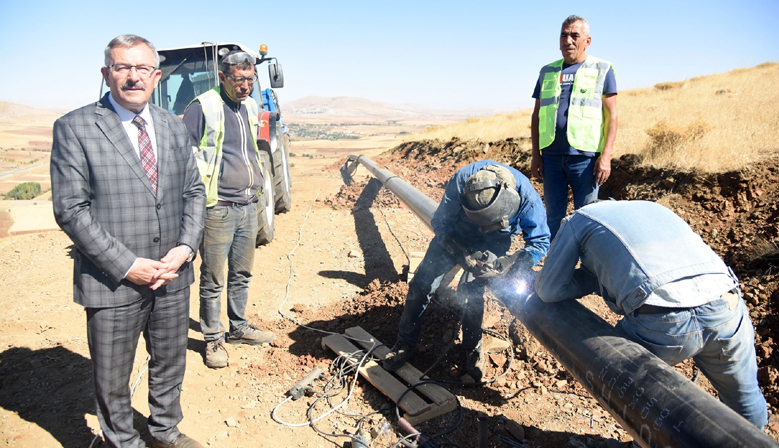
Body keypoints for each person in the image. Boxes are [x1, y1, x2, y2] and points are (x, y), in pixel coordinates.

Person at [51, 35, 206, 448]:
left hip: (172, 274)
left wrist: (186, 247)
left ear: (156, 77)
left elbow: (193, 192)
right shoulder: (75, 127)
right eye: (123, 68)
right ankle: (121, 440)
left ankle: (164, 431)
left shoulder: (173, 126)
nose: (133, 77)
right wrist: (126, 264)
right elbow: (71, 209)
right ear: (107, 74)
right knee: (112, 373)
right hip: (113, 280)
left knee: (170, 363)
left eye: (142, 69)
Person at [535, 200, 768, 429]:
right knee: (744, 400)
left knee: (635, 397)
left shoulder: (580, 219)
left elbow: (548, 290)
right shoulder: (653, 207)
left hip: (663, 321)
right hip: (726, 306)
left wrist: (582, 281)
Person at [383, 161, 550, 381]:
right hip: (457, 234)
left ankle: (472, 347)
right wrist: (458, 251)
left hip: (495, 239)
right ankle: (406, 342)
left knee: (471, 292)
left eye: (486, 223)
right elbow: (441, 223)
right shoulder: (461, 181)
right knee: (421, 285)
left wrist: (512, 261)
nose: (482, 229)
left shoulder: (526, 197)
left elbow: (539, 242)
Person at [183, 49, 275, 369]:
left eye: (250, 79)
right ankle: (212, 339)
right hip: (218, 208)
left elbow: (249, 149)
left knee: (242, 273)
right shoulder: (203, 107)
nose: (246, 86)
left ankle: (238, 327)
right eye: (239, 80)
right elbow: (186, 157)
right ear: (222, 77)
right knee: (213, 277)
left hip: (248, 205)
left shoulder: (248, 105)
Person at [530, 15, 618, 239]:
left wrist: (605, 157)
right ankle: (556, 267)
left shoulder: (603, 69)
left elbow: (612, 116)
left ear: (587, 41)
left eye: (574, 35)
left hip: (585, 159)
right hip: (551, 156)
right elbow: (537, 115)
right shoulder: (547, 71)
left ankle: (587, 270)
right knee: (553, 217)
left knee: (588, 217)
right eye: (563, 35)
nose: (568, 40)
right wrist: (535, 155)